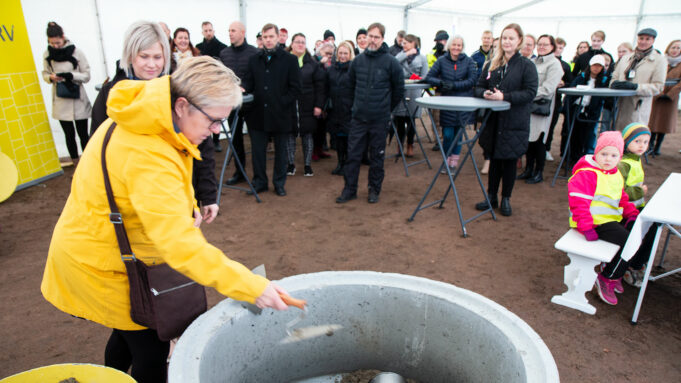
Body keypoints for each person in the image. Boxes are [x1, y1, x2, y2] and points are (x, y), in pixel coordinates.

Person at [41, 56, 290, 383]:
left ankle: (105, 377)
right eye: (214, 121)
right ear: (182, 105)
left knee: (128, 333)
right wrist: (250, 286)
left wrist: (184, 210)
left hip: (107, 248)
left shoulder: (144, 115)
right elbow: (179, 246)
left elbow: (138, 192)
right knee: (152, 350)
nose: (217, 132)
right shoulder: (149, 153)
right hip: (108, 264)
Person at [90, 21, 219, 224]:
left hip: (176, 195)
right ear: (130, 55)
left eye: (158, 57)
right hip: (129, 202)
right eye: (144, 57)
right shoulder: (110, 95)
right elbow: (96, 151)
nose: (152, 65)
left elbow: (202, 145)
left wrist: (208, 195)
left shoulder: (177, 93)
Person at [567, 131, 652, 306]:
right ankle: (607, 277)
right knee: (629, 241)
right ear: (596, 153)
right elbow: (579, 203)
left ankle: (615, 269)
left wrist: (631, 213)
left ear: (619, 157)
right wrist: (586, 227)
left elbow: (620, 197)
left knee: (637, 230)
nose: (608, 159)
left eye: (613, 155)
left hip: (608, 219)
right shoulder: (587, 173)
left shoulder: (614, 173)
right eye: (603, 154)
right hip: (593, 222)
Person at [474, 23, 538, 217]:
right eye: (504, 38)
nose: (507, 41)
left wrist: (505, 97)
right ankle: (491, 197)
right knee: (494, 159)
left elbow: (530, 93)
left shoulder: (527, 65)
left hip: (514, 121)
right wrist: (484, 93)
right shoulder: (492, 64)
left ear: (519, 41)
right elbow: (477, 86)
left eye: (511, 38)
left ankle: (506, 199)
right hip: (493, 120)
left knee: (509, 161)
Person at [336, 22, 404, 204]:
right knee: (353, 156)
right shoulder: (357, 61)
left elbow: (399, 89)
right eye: (370, 36)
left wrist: (386, 108)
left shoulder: (391, 62)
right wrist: (353, 108)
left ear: (382, 39)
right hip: (358, 118)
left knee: (377, 157)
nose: (372, 40)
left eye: (376, 37)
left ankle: (374, 190)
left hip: (379, 119)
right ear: (365, 37)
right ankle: (349, 190)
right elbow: (349, 88)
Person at [242, 23, 301, 197]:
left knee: (281, 152)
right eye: (265, 37)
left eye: (271, 37)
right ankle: (260, 182)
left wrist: (281, 102)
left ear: (278, 37)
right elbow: (248, 82)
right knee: (258, 152)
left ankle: (279, 183)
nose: (268, 40)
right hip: (257, 114)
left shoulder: (289, 60)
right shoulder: (254, 60)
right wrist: (243, 88)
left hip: (281, 114)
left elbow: (296, 88)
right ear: (261, 39)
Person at [425, 35, 477, 172]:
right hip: (447, 103)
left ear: (462, 47)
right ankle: (446, 159)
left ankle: (453, 163)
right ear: (449, 46)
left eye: (459, 45)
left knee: (458, 134)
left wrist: (454, 85)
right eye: (454, 45)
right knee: (447, 134)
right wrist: (442, 83)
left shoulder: (469, 61)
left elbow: (472, 80)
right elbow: (429, 77)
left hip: (463, 102)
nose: (456, 48)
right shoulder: (441, 61)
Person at [41, 21, 92, 163]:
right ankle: (76, 164)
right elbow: (45, 74)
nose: (55, 46)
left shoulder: (76, 52)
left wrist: (71, 75)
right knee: (69, 135)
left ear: (63, 37)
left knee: (83, 134)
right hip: (61, 99)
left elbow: (87, 75)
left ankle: (88, 164)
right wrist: (51, 77)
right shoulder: (47, 54)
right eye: (52, 43)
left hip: (78, 99)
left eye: (57, 42)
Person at [219, 21, 259, 184]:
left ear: (242, 32)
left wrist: (246, 88)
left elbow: (258, 77)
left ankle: (258, 176)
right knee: (235, 140)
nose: (230, 33)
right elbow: (222, 77)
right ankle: (239, 172)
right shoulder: (224, 54)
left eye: (233, 30)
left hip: (251, 103)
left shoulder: (254, 53)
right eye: (229, 31)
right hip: (232, 103)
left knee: (256, 140)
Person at [520, 34, 563, 185]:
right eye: (540, 44)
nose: (542, 47)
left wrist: (527, 94)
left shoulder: (555, 65)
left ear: (552, 47)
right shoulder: (534, 61)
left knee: (539, 140)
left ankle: (539, 172)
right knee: (529, 139)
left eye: (545, 44)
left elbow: (548, 89)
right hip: (530, 106)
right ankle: (528, 169)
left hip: (541, 107)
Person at [618, 123, 654, 287]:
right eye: (637, 141)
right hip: (625, 211)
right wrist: (639, 192)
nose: (642, 146)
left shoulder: (635, 159)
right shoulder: (624, 163)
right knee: (633, 237)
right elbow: (619, 191)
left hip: (636, 207)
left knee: (653, 227)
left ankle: (636, 263)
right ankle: (627, 267)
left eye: (646, 142)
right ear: (626, 142)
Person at [610, 28, 667, 131]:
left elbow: (658, 86)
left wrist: (636, 87)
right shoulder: (626, 58)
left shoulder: (659, 61)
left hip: (638, 105)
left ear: (653, 40)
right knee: (617, 134)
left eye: (647, 39)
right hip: (620, 105)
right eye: (641, 38)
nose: (643, 42)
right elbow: (615, 76)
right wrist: (615, 83)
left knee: (633, 135)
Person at [286, 33, 326, 177]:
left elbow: (320, 86)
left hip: (308, 106)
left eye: (303, 42)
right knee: (289, 136)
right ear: (292, 44)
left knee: (307, 135)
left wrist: (319, 106)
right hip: (289, 106)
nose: (300, 44)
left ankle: (307, 165)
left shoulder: (313, 64)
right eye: (297, 42)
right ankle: (290, 165)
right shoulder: (284, 61)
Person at [563, 55, 610, 163]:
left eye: (599, 66)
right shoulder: (582, 76)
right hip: (577, 110)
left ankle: (583, 158)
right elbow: (571, 92)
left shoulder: (604, 80)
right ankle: (570, 157)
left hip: (592, 112)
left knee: (587, 136)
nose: (596, 68)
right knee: (573, 134)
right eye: (594, 65)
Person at [393, 34, 428, 157]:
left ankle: (410, 144)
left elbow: (425, 75)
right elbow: (394, 63)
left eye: (407, 42)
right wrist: (406, 54)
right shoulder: (400, 55)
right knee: (400, 119)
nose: (404, 45)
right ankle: (399, 144)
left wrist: (416, 79)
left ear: (414, 43)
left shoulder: (422, 58)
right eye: (403, 43)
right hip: (401, 90)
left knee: (411, 119)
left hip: (414, 91)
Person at [647, 39, 681, 156]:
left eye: (678, 48)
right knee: (653, 120)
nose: (675, 50)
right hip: (657, 95)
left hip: (671, 97)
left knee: (664, 122)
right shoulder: (661, 61)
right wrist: (658, 92)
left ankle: (658, 146)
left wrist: (670, 94)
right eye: (673, 47)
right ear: (668, 48)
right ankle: (649, 144)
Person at [326, 41, 355, 176]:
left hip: (349, 109)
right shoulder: (332, 69)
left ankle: (348, 165)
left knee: (348, 139)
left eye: (345, 53)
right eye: (340, 53)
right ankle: (340, 163)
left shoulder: (353, 70)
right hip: (335, 110)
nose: (342, 56)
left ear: (350, 54)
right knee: (338, 139)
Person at [545, 37, 572, 161]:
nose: (558, 49)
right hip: (544, 99)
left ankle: (547, 149)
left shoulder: (565, 66)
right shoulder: (543, 62)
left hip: (556, 100)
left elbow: (570, 82)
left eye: (561, 47)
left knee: (551, 126)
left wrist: (563, 84)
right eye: (557, 46)